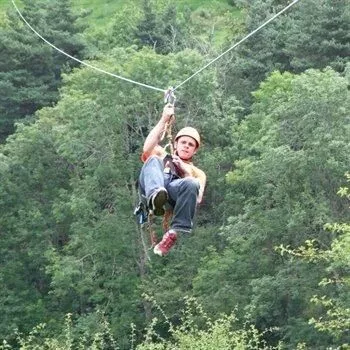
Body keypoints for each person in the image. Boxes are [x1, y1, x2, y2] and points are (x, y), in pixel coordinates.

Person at [139, 104, 206, 256]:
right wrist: (164, 119)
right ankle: (155, 196)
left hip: (172, 197)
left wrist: (185, 171)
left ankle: (174, 232)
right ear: (176, 143)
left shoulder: (198, 173)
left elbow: (198, 197)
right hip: (151, 188)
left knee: (192, 183)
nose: (186, 146)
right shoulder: (162, 155)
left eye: (191, 145)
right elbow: (147, 148)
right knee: (154, 159)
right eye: (183, 142)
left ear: (194, 151)